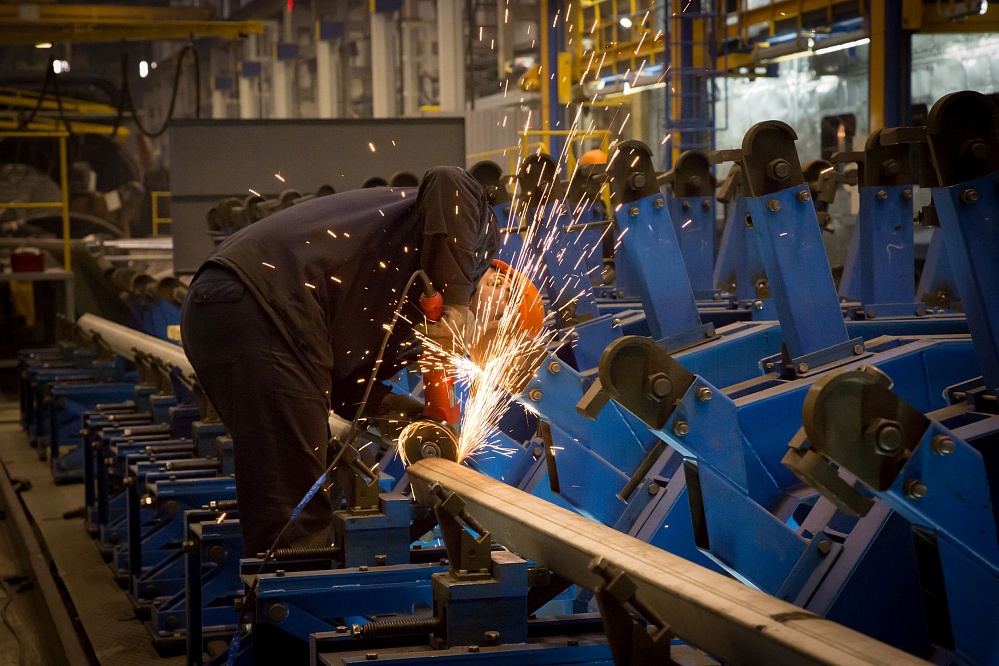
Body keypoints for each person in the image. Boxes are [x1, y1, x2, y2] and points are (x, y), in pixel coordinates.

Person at [180, 167, 499, 556]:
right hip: (264, 307)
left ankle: (287, 580)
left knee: (281, 480)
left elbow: (341, 382)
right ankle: (294, 589)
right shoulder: (479, 240)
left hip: (222, 308)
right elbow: (449, 181)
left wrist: (396, 411)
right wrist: (456, 304)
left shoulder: (401, 304)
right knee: (294, 514)